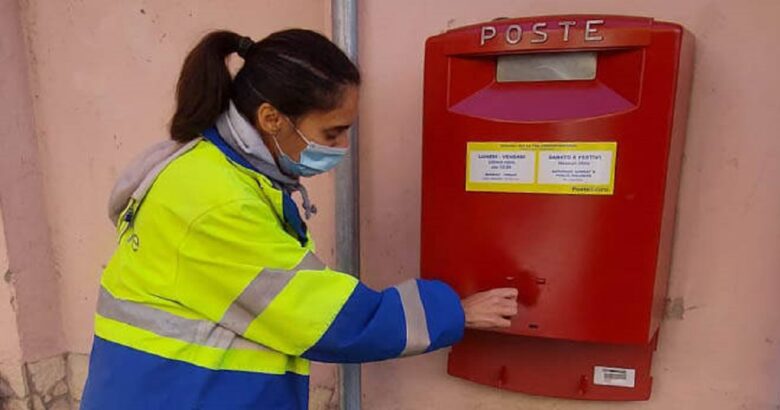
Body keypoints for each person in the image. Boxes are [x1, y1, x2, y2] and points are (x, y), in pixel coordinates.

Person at [80, 29, 518, 410]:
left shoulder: (218, 169)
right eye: (333, 132)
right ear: (271, 118)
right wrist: (451, 312)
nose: (343, 147)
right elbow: (326, 320)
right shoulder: (217, 204)